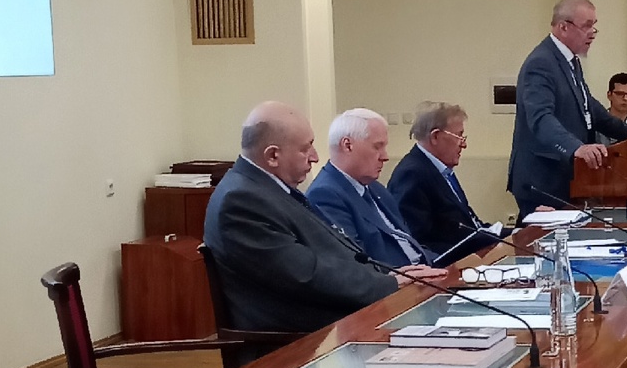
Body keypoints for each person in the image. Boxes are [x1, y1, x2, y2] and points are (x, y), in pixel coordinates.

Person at [202, 101, 443, 343]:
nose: (315, 157)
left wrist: (389, 274)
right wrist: (388, 284)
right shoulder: (241, 200)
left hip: (334, 327)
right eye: (305, 148)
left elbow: (337, 252)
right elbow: (306, 274)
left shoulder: (267, 189)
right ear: (273, 155)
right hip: (296, 343)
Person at [508, 0, 627, 217]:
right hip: (543, 180)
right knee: (540, 238)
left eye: (594, 26)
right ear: (563, 27)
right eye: (587, 26)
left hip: (565, 178)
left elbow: (589, 108)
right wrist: (576, 147)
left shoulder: (570, 61)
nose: (592, 33)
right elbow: (541, 118)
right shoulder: (541, 63)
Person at [307, 108, 441, 267]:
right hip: (397, 279)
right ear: (348, 145)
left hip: (424, 271)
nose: (385, 157)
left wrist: (447, 262)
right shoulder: (324, 195)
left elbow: (408, 245)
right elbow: (355, 264)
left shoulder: (376, 188)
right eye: (377, 147)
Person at [388, 101, 507, 263]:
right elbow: (419, 243)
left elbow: (471, 225)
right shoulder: (412, 174)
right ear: (435, 136)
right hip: (452, 266)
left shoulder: (441, 170)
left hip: (474, 256)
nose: (464, 144)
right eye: (459, 136)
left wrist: (514, 233)